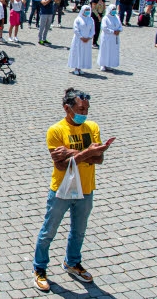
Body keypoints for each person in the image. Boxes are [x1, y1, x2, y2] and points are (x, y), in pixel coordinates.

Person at [32, 88, 114, 292]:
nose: (84, 113)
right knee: (48, 232)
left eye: (87, 109)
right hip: (62, 190)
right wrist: (87, 152)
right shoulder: (56, 131)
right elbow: (61, 165)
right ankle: (40, 268)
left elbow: (99, 158)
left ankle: (72, 262)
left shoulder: (92, 127)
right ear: (67, 108)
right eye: (80, 109)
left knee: (79, 231)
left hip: (86, 188)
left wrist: (72, 153)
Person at [68, 5, 95, 75]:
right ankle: (76, 67)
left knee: (84, 53)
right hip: (79, 39)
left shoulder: (91, 19)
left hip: (87, 40)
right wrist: (81, 37)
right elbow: (76, 29)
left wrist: (89, 37)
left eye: (88, 10)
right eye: (86, 10)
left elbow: (92, 30)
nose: (87, 11)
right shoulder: (78, 19)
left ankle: (80, 67)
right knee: (77, 53)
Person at [98, 5, 123, 72]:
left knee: (112, 51)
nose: (114, 11)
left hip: (114, 38)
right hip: (107, 37)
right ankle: (103, 64)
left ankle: (109, 64)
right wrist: (113, 32)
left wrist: (118, 30)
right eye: (113, 9)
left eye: (115, 9)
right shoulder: (105, 18)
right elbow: (104, 28)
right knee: (105, 50)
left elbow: (120, 26)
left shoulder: (117, 17)